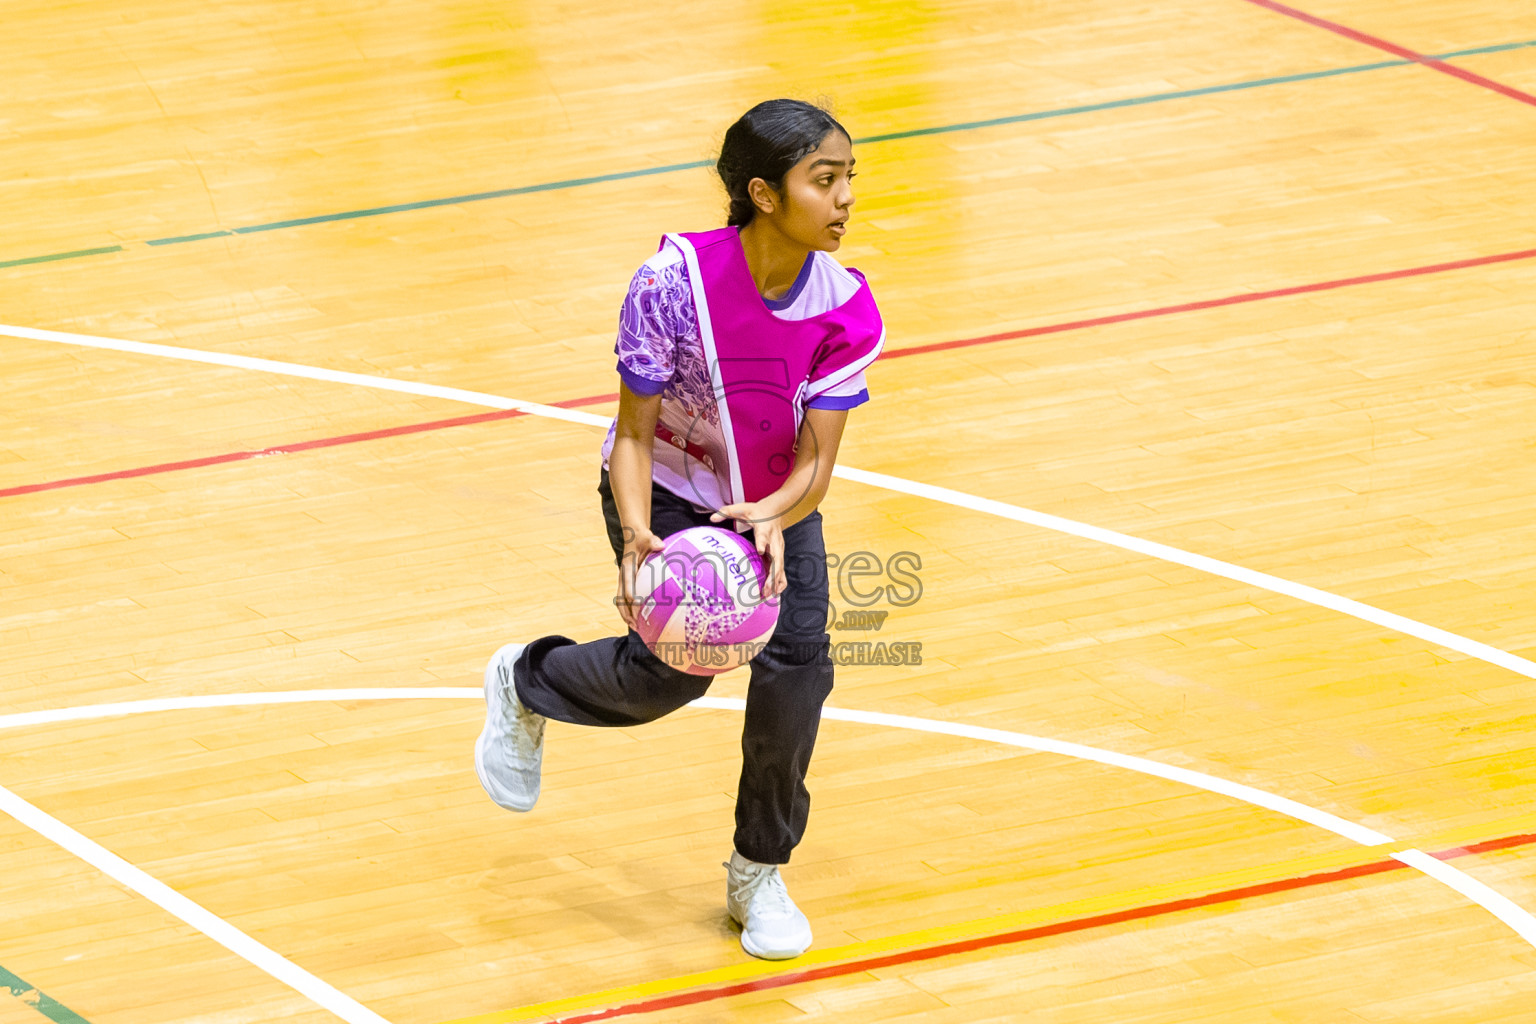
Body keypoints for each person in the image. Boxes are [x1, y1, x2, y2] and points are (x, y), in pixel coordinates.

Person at [474, 98, 884, 961]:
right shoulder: (672, 284)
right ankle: (529, 680)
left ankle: (759, 869)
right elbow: (630, 435)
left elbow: (819, 463)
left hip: (774, 506)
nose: (847, 197)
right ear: (765, 193)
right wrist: (634, 537)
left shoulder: (847, 307)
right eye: (827, 179)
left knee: (797, 670)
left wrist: (774, 516)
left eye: (851, 178)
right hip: (661, 495)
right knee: (673, 680)